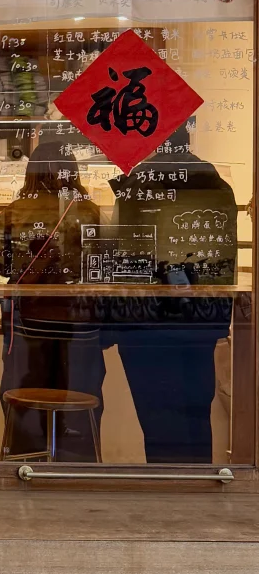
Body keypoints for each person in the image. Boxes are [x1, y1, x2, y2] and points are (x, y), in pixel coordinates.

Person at [103, 122, 237, 463]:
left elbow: (125, 256)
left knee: (157, 414)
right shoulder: (215, 183)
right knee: (195, 411)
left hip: (146, 322)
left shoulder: (139, 185)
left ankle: (166, 487)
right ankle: (198, 484)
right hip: (201, 321)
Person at [0, 140, 103, 461]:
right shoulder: (89, 210)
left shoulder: (15, 210)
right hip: (79, 321)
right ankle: (76, 463)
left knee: (24, 391)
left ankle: (27, 459)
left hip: (28, 319)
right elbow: (102, 261)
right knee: (78, 393)